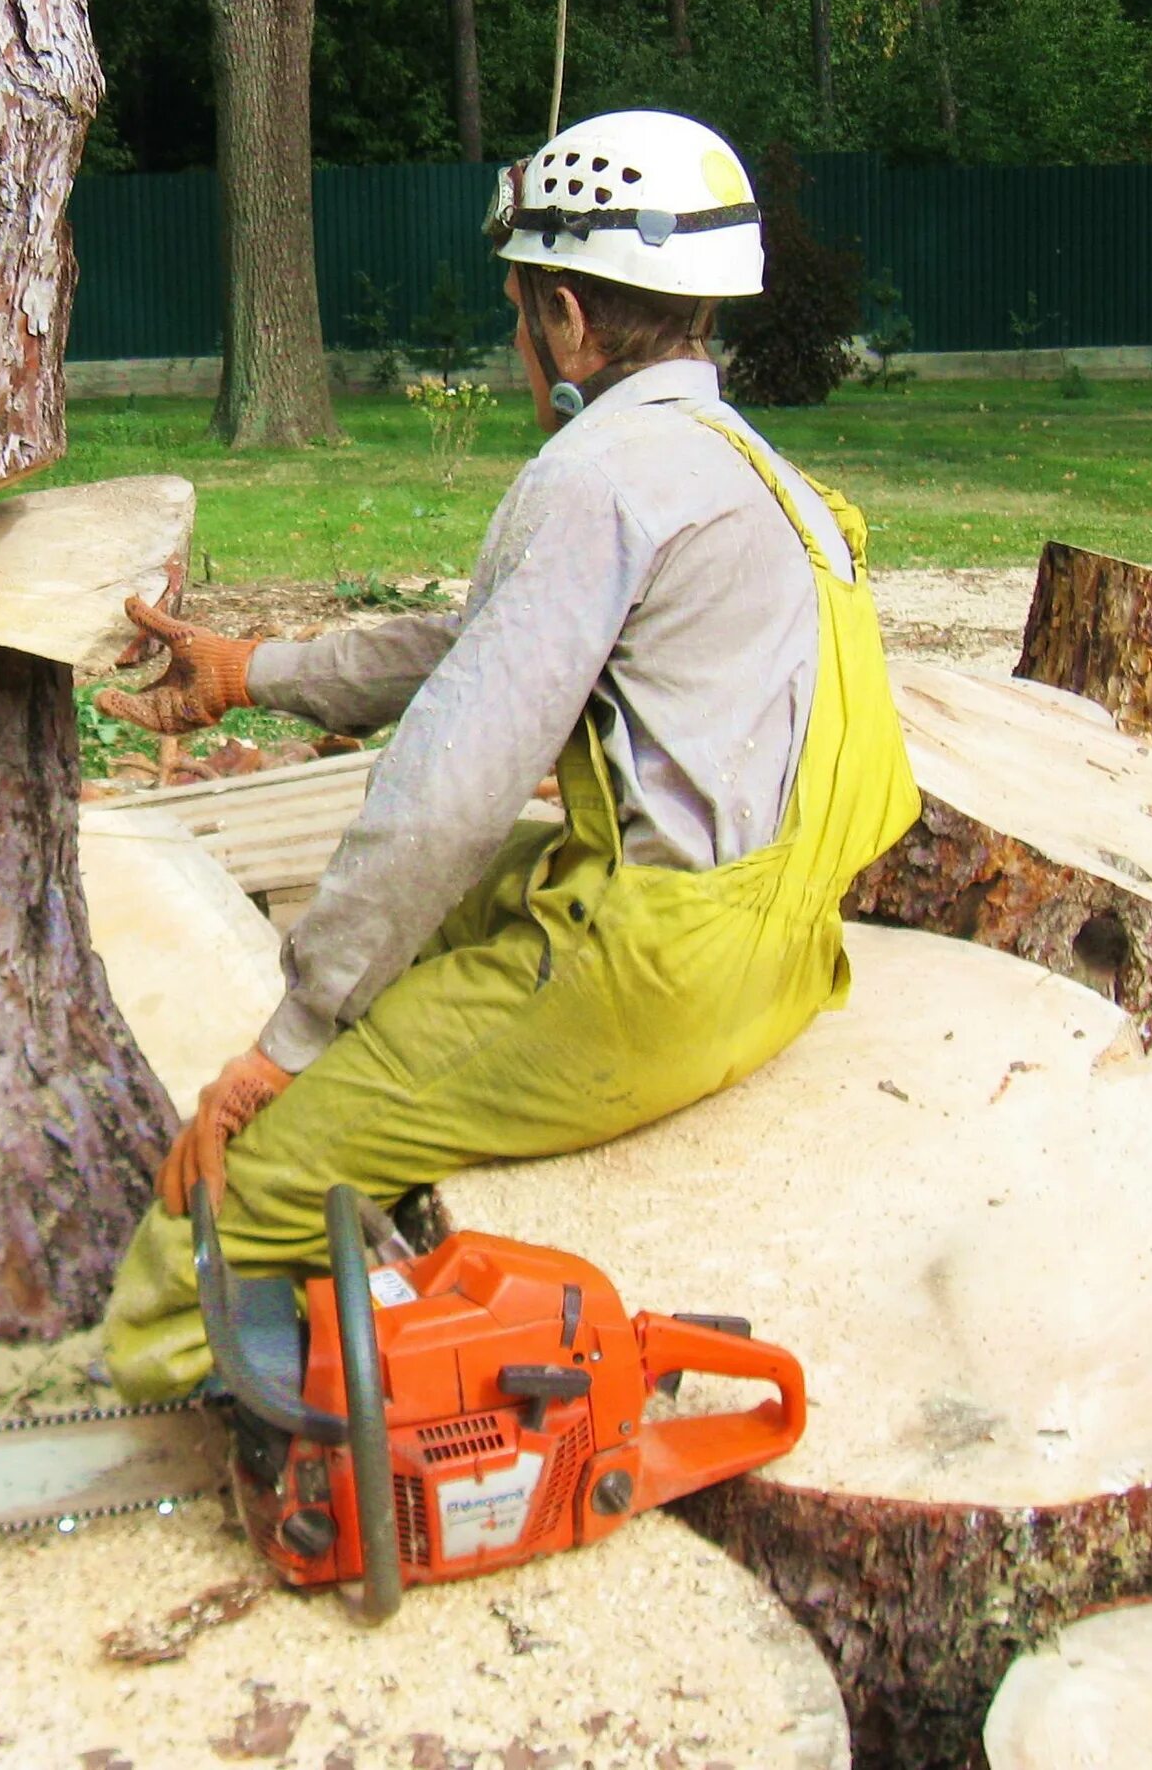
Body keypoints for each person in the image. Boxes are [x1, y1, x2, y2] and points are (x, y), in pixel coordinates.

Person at [92, 109, 920, 1402]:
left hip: (653, 981)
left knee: (250, 1173)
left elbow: (442, 798)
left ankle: (147, 1399)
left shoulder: (595, 478)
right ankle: (378, 1227)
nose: (518, 347)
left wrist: (291, 1042)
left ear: (572, 320)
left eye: (522, 311)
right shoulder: (745, 466)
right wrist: (252, 673)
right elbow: (481, 643)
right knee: (459, 918)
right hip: (778, 952)